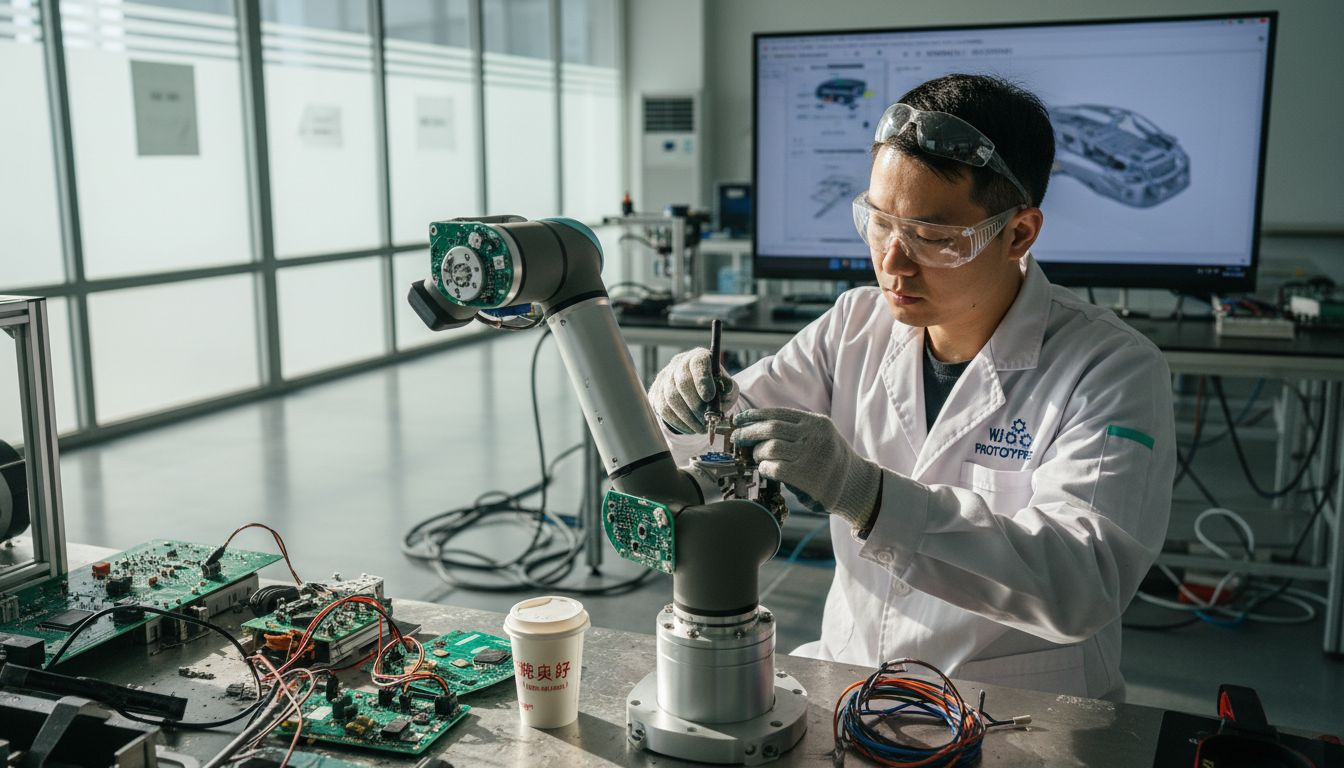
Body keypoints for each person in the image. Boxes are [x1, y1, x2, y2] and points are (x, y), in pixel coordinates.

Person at [648, 74, 1175, 701]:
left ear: (1019, 234)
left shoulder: (1111, 368)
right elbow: (725, 434)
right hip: (848, 678)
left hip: (1011, 708)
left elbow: (1082, 583)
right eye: (877, 223)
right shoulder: (854, 325)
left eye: (932, 238)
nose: (892, 263)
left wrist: (866, 495)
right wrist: (687, 407)